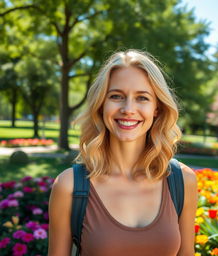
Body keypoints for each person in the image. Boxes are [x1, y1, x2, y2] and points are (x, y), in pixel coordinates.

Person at [48, 49, 198, 256]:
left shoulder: (182, 182)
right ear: (101, 105)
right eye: (116, 96)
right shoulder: (69, 186)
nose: (128, 109)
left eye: (142, 98)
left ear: (157, 108)